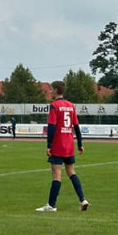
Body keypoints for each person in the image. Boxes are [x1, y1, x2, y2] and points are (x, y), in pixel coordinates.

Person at [35, 80, 89, 213]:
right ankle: (83, 199)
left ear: (56, 90)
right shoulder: (71, 105)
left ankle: (51, 205)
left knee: (56, 175)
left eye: (51, 89)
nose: (50, 91)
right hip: (69, 144)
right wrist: (80, 144)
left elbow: (51, 127)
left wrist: (49, 146)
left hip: (58, 145)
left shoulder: (54, 106)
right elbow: (76, 126)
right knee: (71, 172)